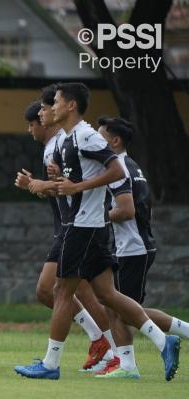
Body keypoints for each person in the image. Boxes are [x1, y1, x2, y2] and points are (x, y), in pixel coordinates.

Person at [14, 82, 180, 381]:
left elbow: (116, 170)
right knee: (106, 294)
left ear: (71, 106)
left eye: (56, 102)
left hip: (82, 227)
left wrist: (72, 186)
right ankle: (161, 340)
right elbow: (71, 185)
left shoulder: (85, 135)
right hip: (91, 226)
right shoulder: (69, 139)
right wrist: (51, 181)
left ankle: (51, 365)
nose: (50, 108)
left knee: (62, 291)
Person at [15, 90, 113, 371]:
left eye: (46, 109)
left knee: (54, 290)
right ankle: (109, 348)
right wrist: (42, 184)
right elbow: (62, 186)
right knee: (84, 291)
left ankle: (109, 348)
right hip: (71, 225)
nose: (46, 114)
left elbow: (67, 186)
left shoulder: (71, 139)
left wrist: (37, 185)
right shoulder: (60, 144)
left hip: (77, 226)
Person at [94, 116, 189, 379]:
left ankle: (128, 367)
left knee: (122, 309)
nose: (96, 143)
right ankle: (129, 364)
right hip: (138, 245)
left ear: (115, 140)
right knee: (120, 308)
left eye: (101, 137)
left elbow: (125, 210)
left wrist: (97, 216)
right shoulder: (133, 165)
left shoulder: (119, 168)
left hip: (132, 248)